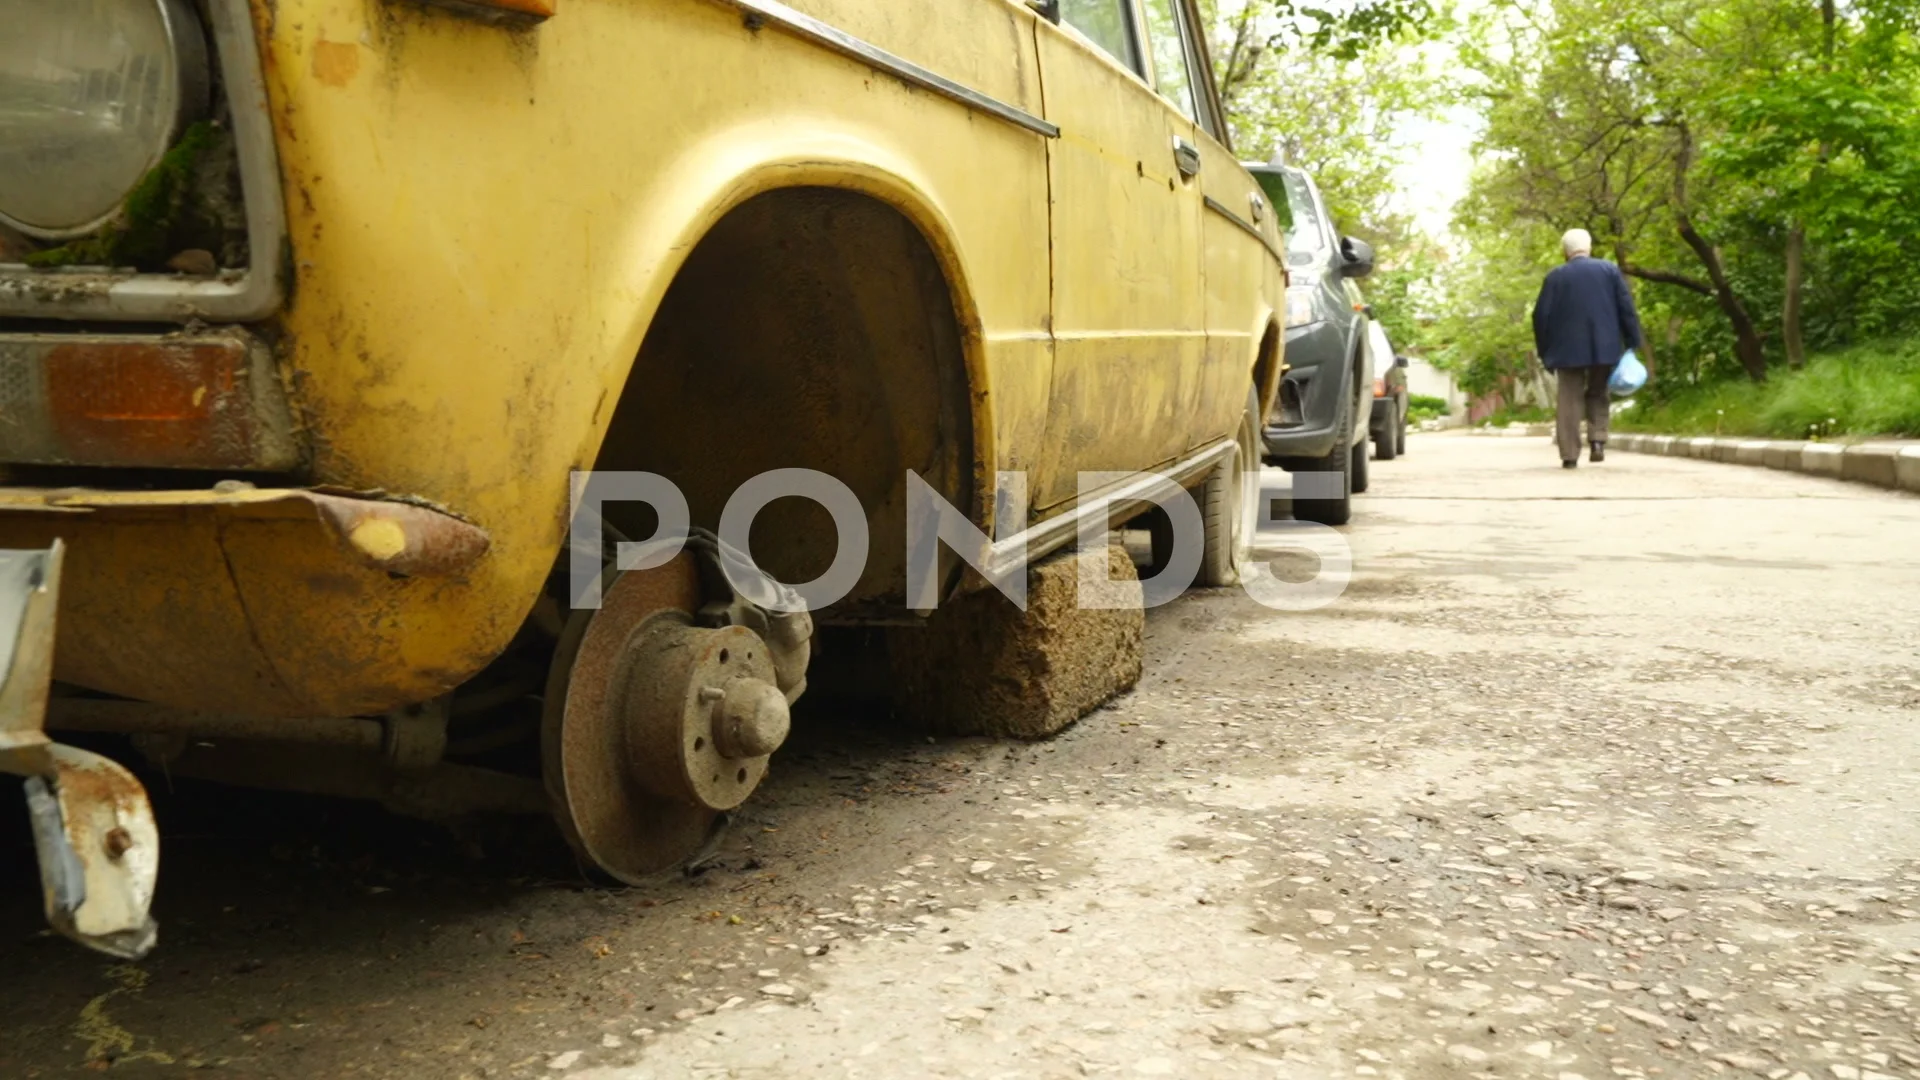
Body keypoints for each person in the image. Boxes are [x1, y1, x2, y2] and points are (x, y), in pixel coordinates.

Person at [1531, 228, 1645, 468]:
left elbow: (1540, 315)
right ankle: (1597, 441)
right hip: (1604, 345)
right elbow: (1626, 307)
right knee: (1598, 391)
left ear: (1565, 251)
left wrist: (1545, 350)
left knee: (1569, 399)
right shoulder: (1608, 270)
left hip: (1566, 349)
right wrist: (1632, 341)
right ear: (1589, 247)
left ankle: (1570, 456)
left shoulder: (1555, 276)